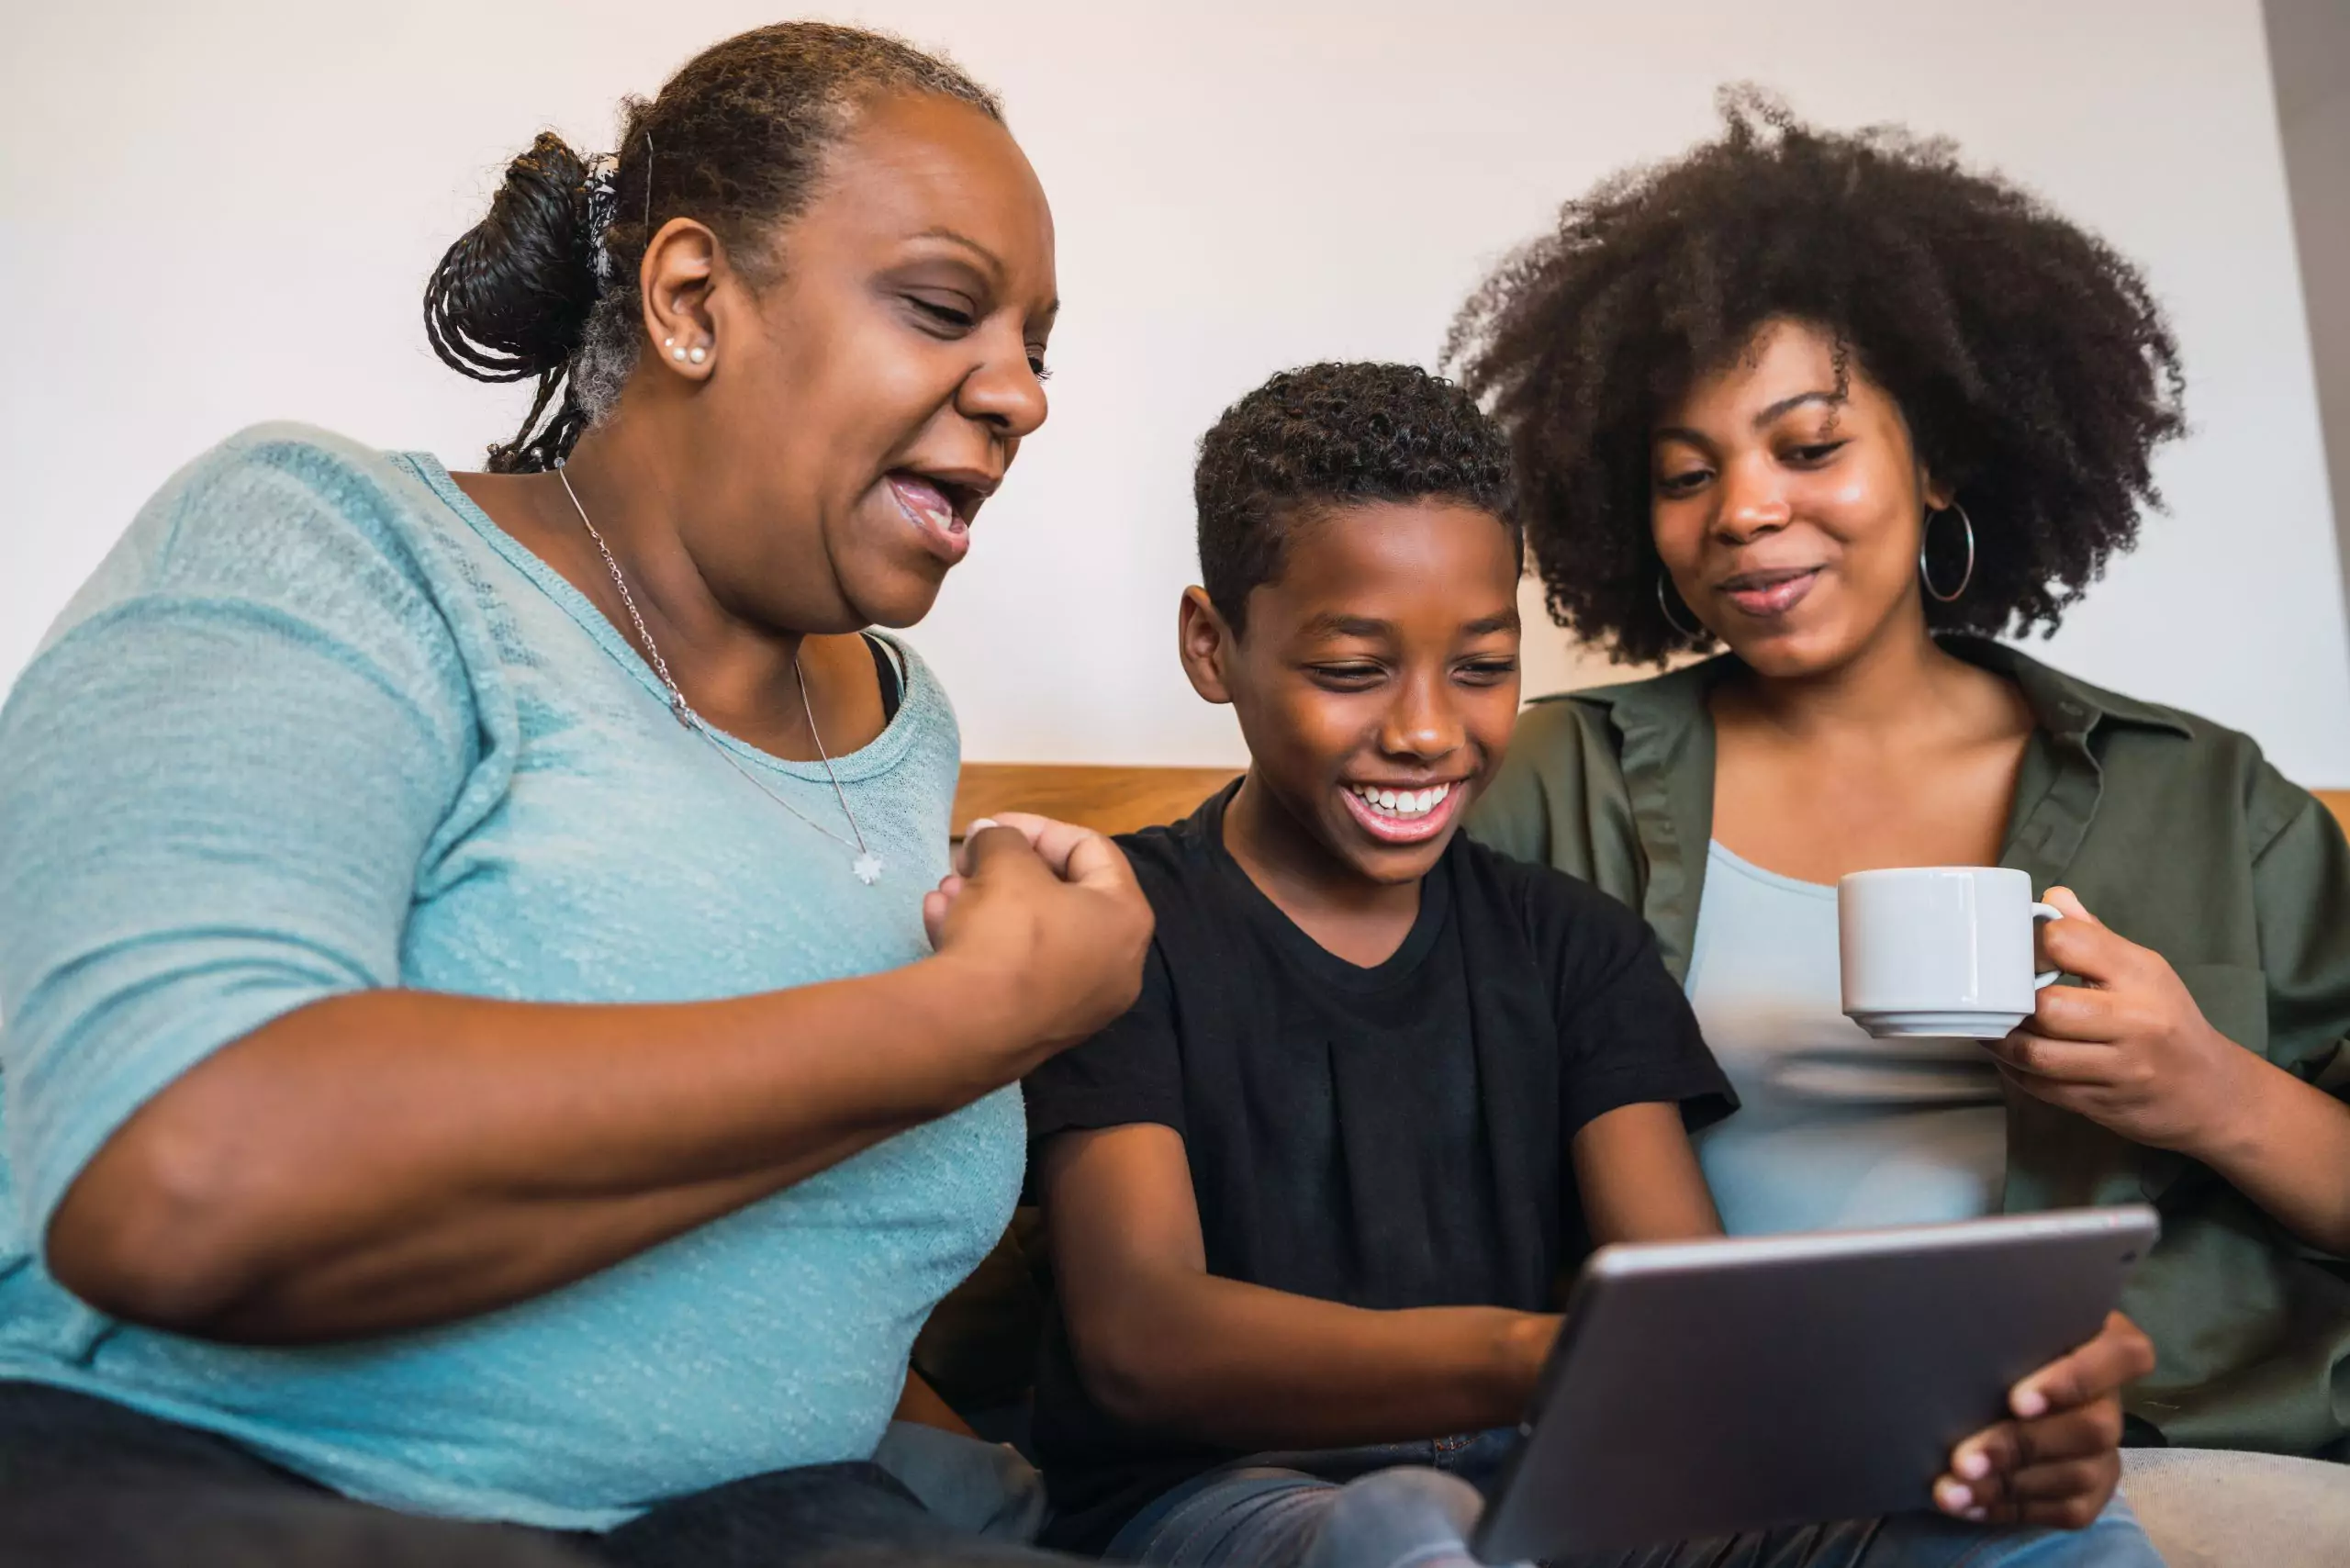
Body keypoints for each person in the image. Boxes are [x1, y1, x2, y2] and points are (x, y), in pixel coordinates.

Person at [0, 22, 1150, 1568]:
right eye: (947, 309)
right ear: (692, 302)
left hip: (744, 1523)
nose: (1020, 393)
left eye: (1036, 343)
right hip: (230, 1483)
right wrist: (978, 1019)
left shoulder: (900, 725)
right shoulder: (340, 547)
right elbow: (183, 1177)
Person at [1021, 362, 2164, 1568]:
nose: (1426, 729)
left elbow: (1689, 1312)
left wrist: (2000, 1415)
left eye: (1481, 666)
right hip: (1225, 1500)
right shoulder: (1118, 923)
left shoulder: (1573, 946)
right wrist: (1543, 1356)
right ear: (1214, 645)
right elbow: (1140, 1346)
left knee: (2031, 1530)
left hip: (1546, 1482)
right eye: (1352, 669)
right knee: (1405, 1536)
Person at [1452, 93, 2350, 1561]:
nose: (1744, 510)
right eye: (1686, 474)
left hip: (2124, 1447)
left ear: (1940, 461)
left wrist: (2211, 1092)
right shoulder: (1563, 780)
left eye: (1808, 447)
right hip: (1710, 1455)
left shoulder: (2203, 796)